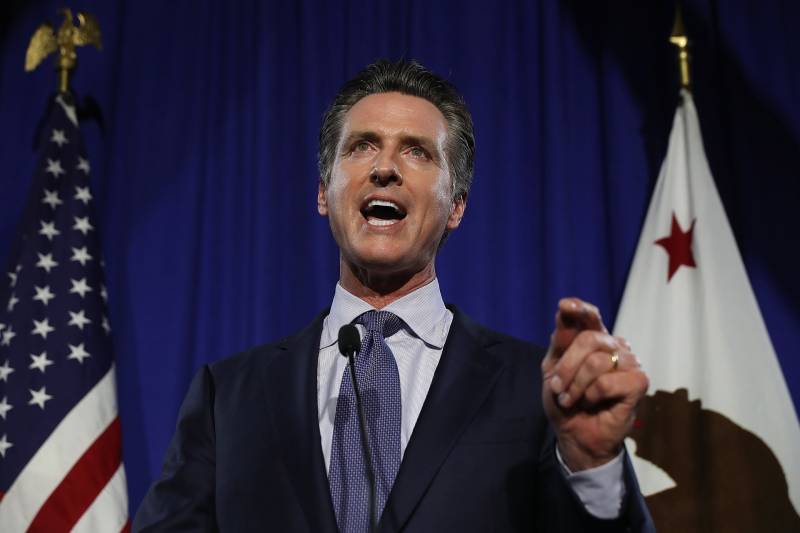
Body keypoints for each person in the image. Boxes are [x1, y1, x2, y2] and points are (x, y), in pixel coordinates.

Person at [133, 60, 654, 532]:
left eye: (417, 151)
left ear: (457, 206)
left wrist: (592, 466)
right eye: (361, 146)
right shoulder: (227, 397)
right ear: (323, 193)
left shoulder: (536, 391)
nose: (385, 168)